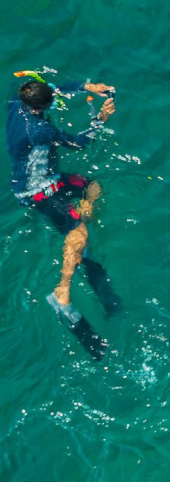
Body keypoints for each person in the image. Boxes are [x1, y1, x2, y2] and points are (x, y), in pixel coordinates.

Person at [6, 77, 119, 326]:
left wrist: (87, 87)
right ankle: (62, 290)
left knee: (93, 187)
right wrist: (100, 120)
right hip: (37, 190)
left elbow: (52, 87)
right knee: (78, 230)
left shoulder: (18, 99)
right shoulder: (39, 130)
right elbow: (77, 144)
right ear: (43, 106)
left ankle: (81, 226)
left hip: (44, 179)